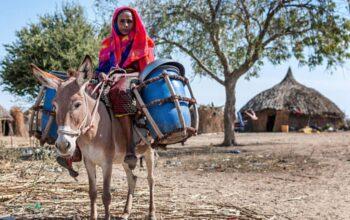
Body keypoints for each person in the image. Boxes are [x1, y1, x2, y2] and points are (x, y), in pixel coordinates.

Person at [57, 6, 155, 175]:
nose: (125, 24)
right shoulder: (107, 43)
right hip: (109, 78)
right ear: (115, 23)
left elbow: (146, 69)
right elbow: (101, 67)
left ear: (135, 23)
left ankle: (130, 147)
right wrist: (101, 74)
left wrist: (122, 75)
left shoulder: (141, 41)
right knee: (83, 96)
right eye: (121, 21)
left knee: (119, 93)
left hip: (133, 78)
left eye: (129, 21)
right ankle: (76, 150)